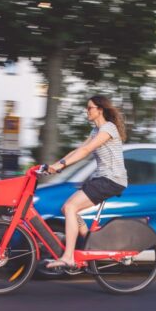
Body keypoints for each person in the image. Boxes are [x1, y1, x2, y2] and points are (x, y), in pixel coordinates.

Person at [46, 95, 128, 269]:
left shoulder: (108, 128)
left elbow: (86, 150)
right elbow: (78, 150)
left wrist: (61, 165)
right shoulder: (95, 131)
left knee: (70, 208)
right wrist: (56, 165)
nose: (87, 111)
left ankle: (68, 257)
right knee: (67, 209)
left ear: (100, 110)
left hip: (112, 179)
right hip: (101, 178)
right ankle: (92, 244)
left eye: (89, 108)